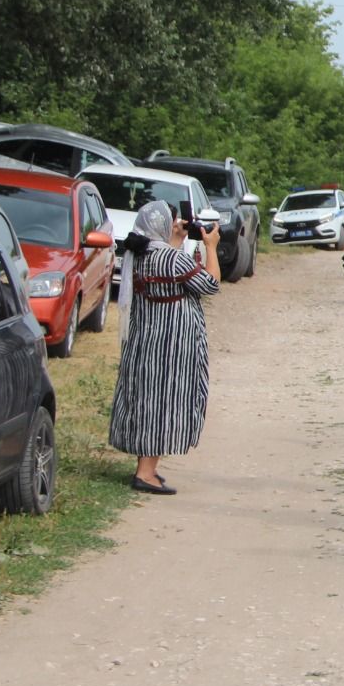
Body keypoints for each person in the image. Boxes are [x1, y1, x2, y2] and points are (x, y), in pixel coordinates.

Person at [109, 201, 220, 494]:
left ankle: (147, 468)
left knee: (147, 399)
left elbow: (165, 262)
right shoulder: (172, 260)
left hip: (144, 339)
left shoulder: (139, 254)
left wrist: (177, 239)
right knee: (165, 401)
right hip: (172, 343)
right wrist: (211, 246)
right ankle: (145, 473)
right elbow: (211, 284)